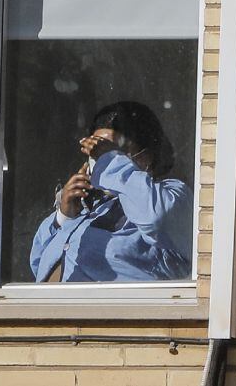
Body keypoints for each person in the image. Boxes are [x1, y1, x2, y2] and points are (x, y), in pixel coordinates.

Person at [29, 101, 193, 282]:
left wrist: (111, 163)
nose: (98, 157)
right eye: (94, 150)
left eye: (108, 150)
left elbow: (157, 219)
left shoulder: (171, 195)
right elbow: (38, 264)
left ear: (145, 158)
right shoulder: (88, 207)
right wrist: (64, 217)